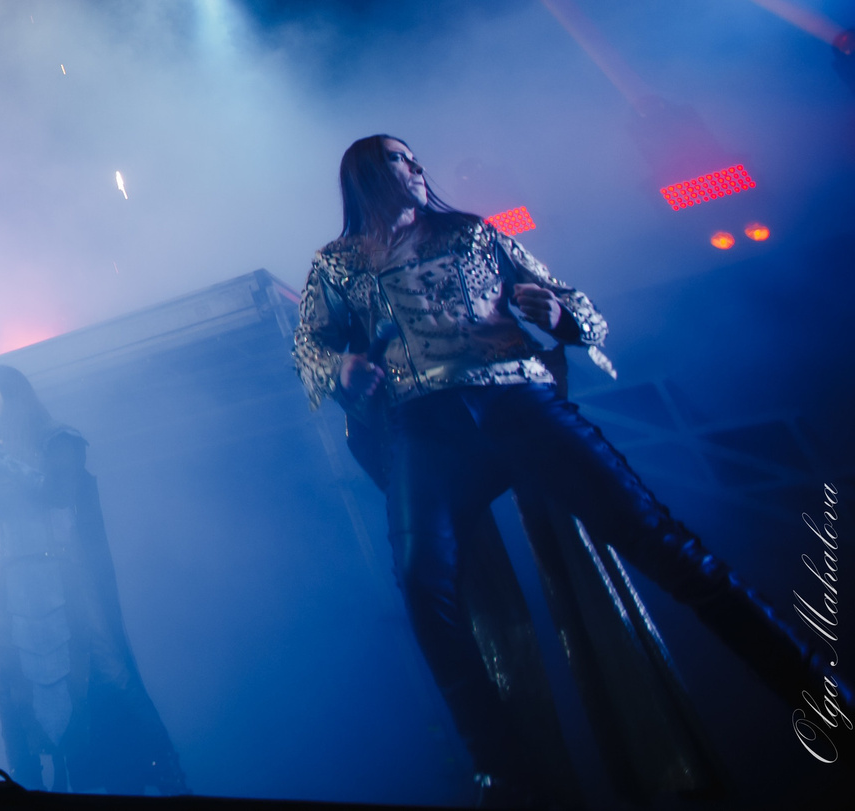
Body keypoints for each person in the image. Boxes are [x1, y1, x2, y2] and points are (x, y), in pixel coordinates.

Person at [295, 135, 847, 805]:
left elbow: (577, 306)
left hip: (516, 400)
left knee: (665, 545)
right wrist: (340, 366)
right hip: (427, 426)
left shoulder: (474, 232)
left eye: (413, 158)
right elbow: (308, 345)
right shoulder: (337, 263)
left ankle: (818, 693)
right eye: (397, 158)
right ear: (363, 174)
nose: (415, 167)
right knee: (422, 584)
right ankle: (503, 769)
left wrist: (559, 315)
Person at [0, 366, 185, 793]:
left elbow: (55, 491)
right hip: (13, 583)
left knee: (108, 665)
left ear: (14, 393)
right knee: (9, 679)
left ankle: (167, 772)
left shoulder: (56, 438)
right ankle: (27, 782)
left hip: (63, 574)